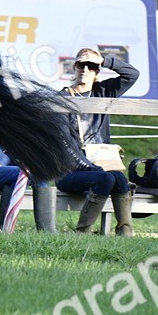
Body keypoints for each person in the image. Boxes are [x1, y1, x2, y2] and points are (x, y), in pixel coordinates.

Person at [56, 47, 140, 236]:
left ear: (97, 71)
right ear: (75, 67)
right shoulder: (61, 98)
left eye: (91, 66)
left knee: (118, 178)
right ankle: (83, 232)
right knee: (107, 177)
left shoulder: (103, 92)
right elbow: (65, 145)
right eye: (80, 64)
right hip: (70, 170)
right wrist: (91, 168)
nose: (85, 69)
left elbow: (132, 75)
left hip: (100, 165)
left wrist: (105, 61)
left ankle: (125, 233)